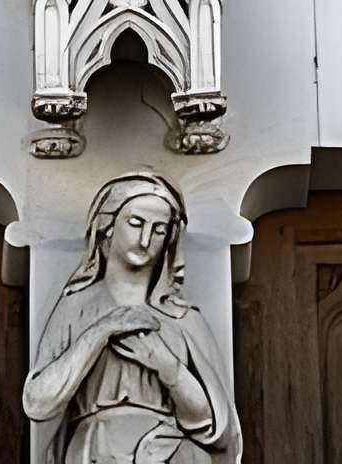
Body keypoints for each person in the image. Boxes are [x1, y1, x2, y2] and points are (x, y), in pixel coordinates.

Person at [21, 174, 235, 462]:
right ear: (107, 226)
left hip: (172, 454)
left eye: (159, 230)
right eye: (135, 223)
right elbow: (38, 402)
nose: (146, 240)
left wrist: (167, 366)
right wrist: (101, 331)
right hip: (96, 451)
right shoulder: (76, 307)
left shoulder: (183, 318)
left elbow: (213, 426)